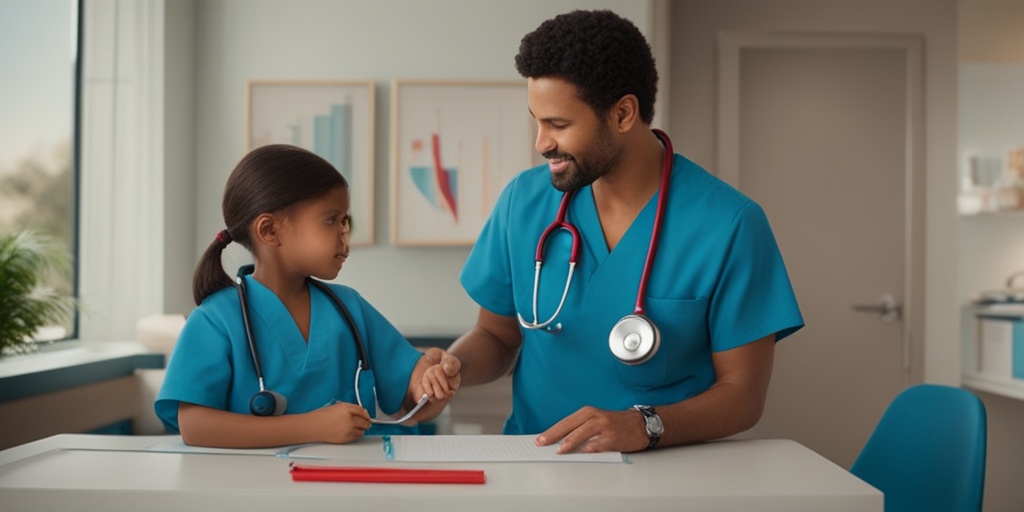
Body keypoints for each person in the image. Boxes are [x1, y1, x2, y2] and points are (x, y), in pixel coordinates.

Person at [447, 10, 804, 454]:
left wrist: (644, 426)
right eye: (537, 121)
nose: (541, 143)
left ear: (622, 114)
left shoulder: (729, 225)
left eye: (558, 125)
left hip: (665, 473)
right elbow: (498, 337)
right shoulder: (523, 202)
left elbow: (743, 395)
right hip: (534, 462)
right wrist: (452, 367)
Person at [156, 144, 460, 448]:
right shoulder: (215, 320)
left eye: (346, 222)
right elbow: (195, 426)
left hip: (351, 485)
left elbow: (411, 403)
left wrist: (431, 386)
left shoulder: (350, 308)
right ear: (270, 230)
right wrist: (313, 427)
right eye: (331, 220)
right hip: (255, 489)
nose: (344, 234)